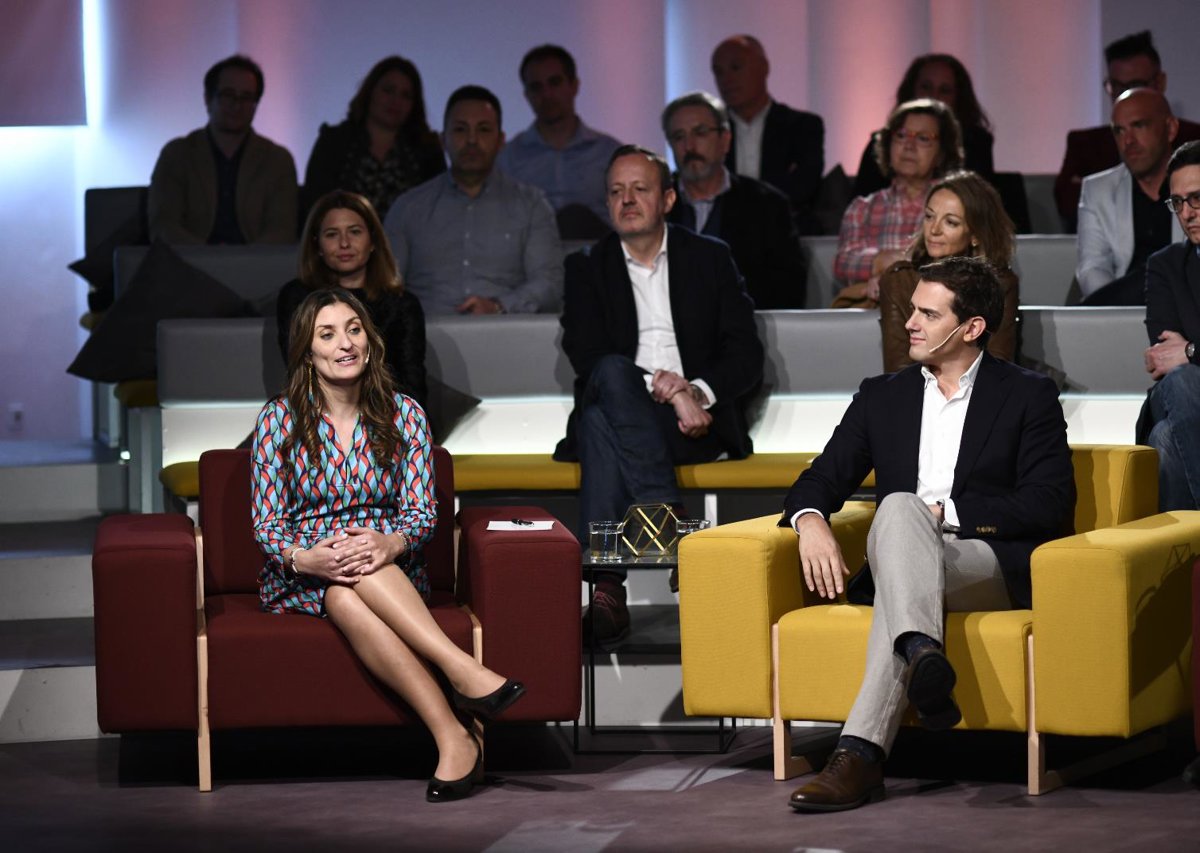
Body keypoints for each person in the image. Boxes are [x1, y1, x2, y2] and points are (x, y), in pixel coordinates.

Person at [782, 256, 1075, 813]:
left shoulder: (1027, 394)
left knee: (903, 511)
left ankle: (860, 754)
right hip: (903, 555)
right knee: (898, 508)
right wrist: (810, 521)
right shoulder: (882, 395)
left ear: (972, 328)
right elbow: (820, 479)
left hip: (983, 560)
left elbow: (1048, 503)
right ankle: (919, 656)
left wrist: (947, 513)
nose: (909, 323)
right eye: (912, 310)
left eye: (928, 314)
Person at [252, 288, 525, 802]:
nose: (345, 344)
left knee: (348, 588)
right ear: (307, 352)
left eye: (354, 329)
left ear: (370, 341)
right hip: (302, 573)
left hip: (390, 568)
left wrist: (391, 542)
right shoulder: (278, 419)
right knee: (339, 583)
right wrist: (305, 557)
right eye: (327, 335)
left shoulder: (404, 414)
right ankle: (462, 674)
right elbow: (268, 525)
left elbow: (422, 513)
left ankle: (453, 737)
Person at [554, 145, 764, 648]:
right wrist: (666, 390)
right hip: (640, 406)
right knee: (609, 380)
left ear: (668, 198)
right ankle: (665, 516)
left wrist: (696, 392)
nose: (626, 200)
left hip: (693, 425)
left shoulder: (710, 257)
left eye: (639, 189)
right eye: (616, 191)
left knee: (601, 425)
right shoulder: (586, 267)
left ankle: (607, 589)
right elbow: (587, 356)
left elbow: (745, 352)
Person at [383, 85, 563, 316]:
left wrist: (499, 306)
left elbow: (550, 284)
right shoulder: (408, 207)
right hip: (425, 332)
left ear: (501, 140)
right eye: (460, 129)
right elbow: (385, 287)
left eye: (483, 129)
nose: (471, 140)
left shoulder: (532, 205)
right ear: (443, 140)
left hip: (507, 331)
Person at [277, 190, 426, 408]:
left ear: (373, 240)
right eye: (332, 234)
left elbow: (413, 384)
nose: (344, 243)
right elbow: (300, 373)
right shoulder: (298, 297)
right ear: (316, 244)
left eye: (355, 232)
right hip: (317, 414)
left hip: (389, 414)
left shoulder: (402, 303)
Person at [662, 91, 806, 309]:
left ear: (725, 140)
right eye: (679, 136)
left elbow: (788, 289)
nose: (689, 146)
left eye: (700, 133)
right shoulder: (656, 204)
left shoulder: (767, 205)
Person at [1055, 30, 1200, 231]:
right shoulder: (1085, 145)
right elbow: (1067, 203)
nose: (1126, 95)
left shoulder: (1194, 140)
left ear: (1160, 82)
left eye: (1136, 85)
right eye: (1117, 86)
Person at [149, 55, 297, 245]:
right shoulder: (177, 154)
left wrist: (245, 260)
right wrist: (208, 257)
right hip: (187, 261)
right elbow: (163, 226)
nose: (237, 105)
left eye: (246, 97)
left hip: (259, 262)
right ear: (208, 98)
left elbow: (283, 230)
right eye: (228, 95)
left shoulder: (277, 160)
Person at [879, 171, 1018, 372]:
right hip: (917, 388)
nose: (934, 230)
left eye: (950, 222)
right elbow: (899, 369)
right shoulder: (899, 280)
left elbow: (998, 364)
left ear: (975, 235)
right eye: (929, 216)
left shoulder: (1000, 283)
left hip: (980, 389)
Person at [833, 99, 964, 308]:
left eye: (923, 138)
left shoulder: (957, 205)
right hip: (870, 311)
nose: (909, 146)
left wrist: (896, 273)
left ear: (941, 153)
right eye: (901, 135)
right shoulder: (862, 208)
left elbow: (961, 263)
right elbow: (843, 264)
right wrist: (883, 261)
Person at [495, 44, 621, 238]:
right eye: (536, 87)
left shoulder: (610, 154)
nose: (547, 95)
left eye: (554, 83)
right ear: (527, 95)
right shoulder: (508, 160)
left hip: (598, 253)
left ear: (574, 86)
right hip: (531, 254)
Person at [301, 56, 446, 224]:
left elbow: (439, 213)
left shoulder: (427, 151)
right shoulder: (334, 143)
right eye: (388, 90)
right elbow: (315, 206)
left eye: (405, 95)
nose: (395, 101)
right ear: (370, 92)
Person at [1076, 88, 1184, 305]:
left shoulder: (1193, 186)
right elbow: (1092, 267)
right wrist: (1118, 310)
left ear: (1170, 128)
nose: (1128, 141)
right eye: (1119, 131)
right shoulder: (1097, 189)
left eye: (1139, 126)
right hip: (1121, 307)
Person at [710, 35, 824, 234]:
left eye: (736, 67)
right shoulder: (710, 132)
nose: (726, 79)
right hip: (725, 234)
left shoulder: (802, 126)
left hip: (786, 230)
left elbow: (803, 188)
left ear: (764, 67)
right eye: (719, 72)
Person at [1140, 140, 1200, 511]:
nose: (1187, 213)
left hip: (1180, 421)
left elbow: (1181, 352)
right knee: (1183, 380)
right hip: (1179, 395)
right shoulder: (1165, 265)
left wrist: (1191, 349)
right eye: (1178, 202)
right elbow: (1165, 356)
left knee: (1164, 439)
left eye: (1197, 198)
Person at [852, 54, 993, 199]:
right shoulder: (879, 143)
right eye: (926, 87)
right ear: (911, 91)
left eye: (944, 90)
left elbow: (979, 202)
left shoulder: (976, 143)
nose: (934, 96)